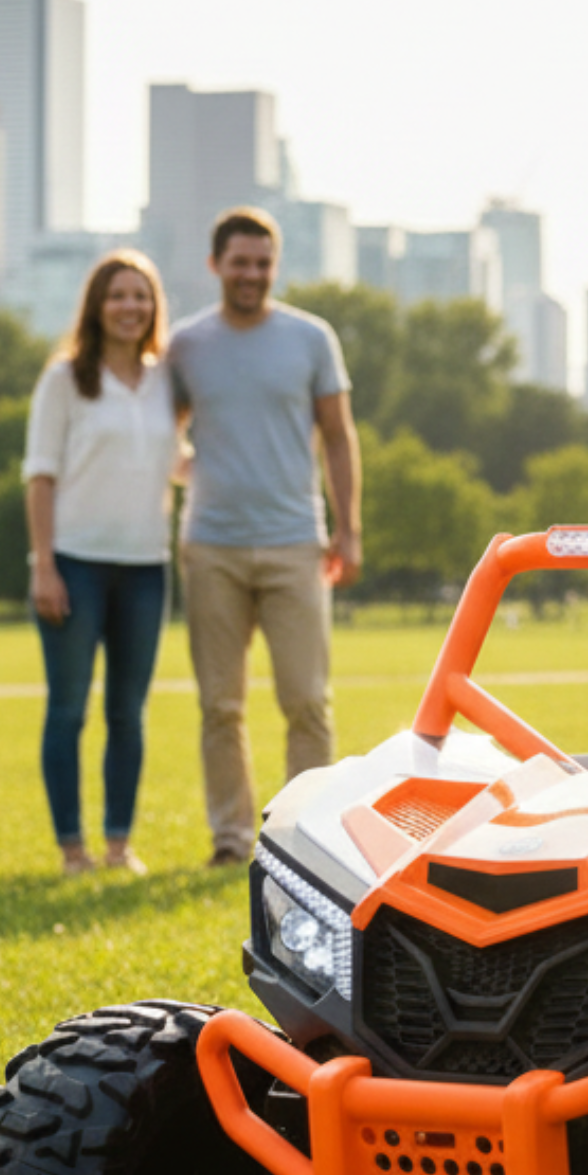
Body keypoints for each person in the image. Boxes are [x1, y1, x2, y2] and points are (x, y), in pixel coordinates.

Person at [169, 207, 362, 867]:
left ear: (274, 268)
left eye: (262, 263)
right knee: (221, 704)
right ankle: (229, 839)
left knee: (306, 698)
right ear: (215, 265)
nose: (251, 274)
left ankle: (302, 839)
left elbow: (338, 436)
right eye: (239, 262)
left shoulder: (311, 339)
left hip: (294, 542)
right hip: (211, 545)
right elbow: (158, 434)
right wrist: (191, 468)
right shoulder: (186, 344)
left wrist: (350, 529)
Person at [22, 250, 178, 875]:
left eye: (140, 296)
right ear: (96, 305)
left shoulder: (168, 380)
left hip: (146, 567)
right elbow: (39, 475)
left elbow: (178, 460)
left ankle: (118, 845)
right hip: (75, 566)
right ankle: (72, 849)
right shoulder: (65, 379)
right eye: (117, 295)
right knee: (68, 709)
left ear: (153, 307)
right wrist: (44, 565)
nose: (129, 307)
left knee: (128, 711)